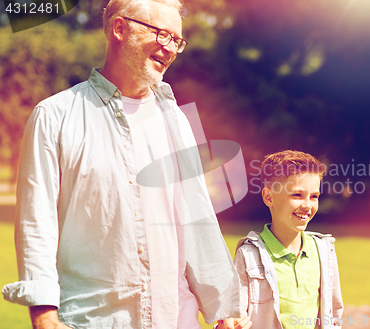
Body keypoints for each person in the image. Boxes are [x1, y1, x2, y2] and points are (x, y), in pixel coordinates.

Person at [2, 0, 242, 328]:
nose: (170, 49)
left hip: (175, 318)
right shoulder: (53, 116)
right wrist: (43, 313)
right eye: (162, 34)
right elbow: (37, 221)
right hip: (92, 320)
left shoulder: (177, 121)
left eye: (177, 40)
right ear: (119, 29)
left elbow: (196, 217)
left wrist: (222, 308)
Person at [218, 150, 343, 329]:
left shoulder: (324, 250)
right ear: (269, 197)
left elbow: (334, 313)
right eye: (297, 195)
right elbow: (234, 316)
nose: (307, 205)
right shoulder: (248, 255)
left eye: (314, 196)